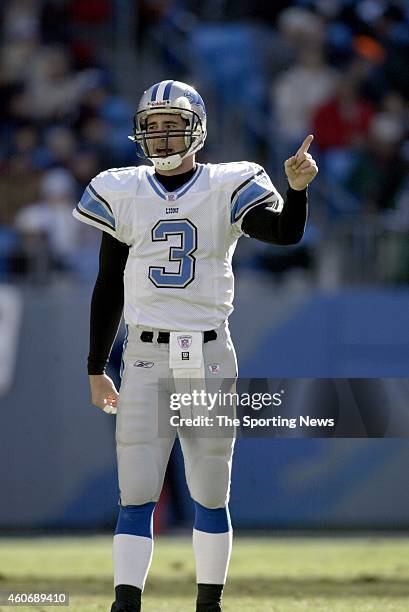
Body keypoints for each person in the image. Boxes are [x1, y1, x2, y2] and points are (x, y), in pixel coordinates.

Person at [72, 80, 318, 612]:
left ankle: (209, 602)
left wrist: (296, 191)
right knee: (135, 484)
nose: (161, 137)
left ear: (198, 129)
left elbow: (283, 234)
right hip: (143, 353)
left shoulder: (229, 183)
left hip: (207, 353)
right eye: (152, 126)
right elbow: (108, 282)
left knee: (210, 483)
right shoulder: (123, 188)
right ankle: (125, 603)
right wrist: (96, 366)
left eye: (172, 125)